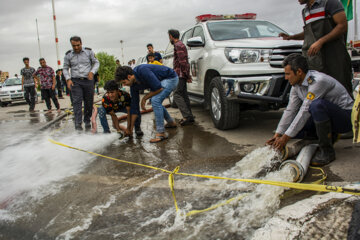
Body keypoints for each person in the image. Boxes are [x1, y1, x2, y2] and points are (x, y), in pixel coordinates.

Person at [266, 54, 353, 166]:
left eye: (288, 74)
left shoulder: (318, 81)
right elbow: (290, 110)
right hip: (327, 117)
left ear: (299, 72)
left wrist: (285, 138)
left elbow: (305, 111)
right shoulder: (296, 85)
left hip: (345, 118)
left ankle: (327, 151)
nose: (286, 78)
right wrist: (278, 135)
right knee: (291, 131)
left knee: (317, 105)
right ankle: (326, 136)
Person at [279, 0, 353, 95]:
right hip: (316, 61)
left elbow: (342, 25)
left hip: (334, 58)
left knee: (340, 89)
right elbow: (308, 33)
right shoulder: (305, 11)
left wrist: (321, 41)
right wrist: (291, 37)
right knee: (318, 92)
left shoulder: (330, 3)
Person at [115, 65, 178, 143]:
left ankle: (161, 133)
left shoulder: (142, 71)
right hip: (161, 82)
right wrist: (130, 129)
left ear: (129, 76)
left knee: (155, 100)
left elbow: (158, 88)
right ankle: (171, 122)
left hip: (170, 78)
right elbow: (134, 108)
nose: (124, 85)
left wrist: (144, 98)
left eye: (124, 82)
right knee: (156, 102)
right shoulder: (133, 86)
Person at [63, 36, 100, 131]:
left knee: (89, 102)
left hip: (88, 80)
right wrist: (68, 79)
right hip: (75, 81)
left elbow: (96, 63)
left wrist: (92, 72)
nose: (76, 48)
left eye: (78, 45)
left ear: (81, 43)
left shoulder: (89, 52)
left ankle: (87, 120)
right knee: (77, 102)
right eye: (73, 46)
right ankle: (78, 123)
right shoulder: (68, 55)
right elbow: (65, 68)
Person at [168, 29, 195, 126]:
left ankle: (187, 116)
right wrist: (187, 75)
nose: (169, 38)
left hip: (180, 74)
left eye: (169, 36)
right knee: (184, 95)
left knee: (176, 95)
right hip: (182, 74)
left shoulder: (178, 45)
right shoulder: (181, 44)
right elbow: (184, 61)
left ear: (171, 36)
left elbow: (183, 62)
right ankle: (190, 116)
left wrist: (186, 75)